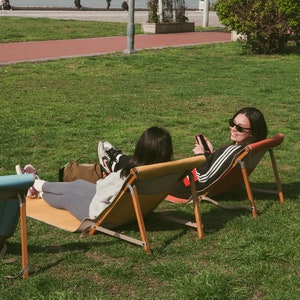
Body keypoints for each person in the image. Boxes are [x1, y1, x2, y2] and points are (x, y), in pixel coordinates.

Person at [98, 107, 268, 199]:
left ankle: (113, 161)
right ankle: (116, 159)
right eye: (232, 123)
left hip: (185, 186)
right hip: (189, 181)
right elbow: (214, 169)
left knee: (151, 165)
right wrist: (208, 154)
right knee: (155, 161)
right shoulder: (247, 150)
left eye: (239, 128)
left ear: (252, 133)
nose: (233, 128)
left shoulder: (234, 150)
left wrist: (199, 156)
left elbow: (203, 178)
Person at [16, 127, 173, 221]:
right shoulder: (167, 171)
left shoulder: (133, 173)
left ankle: (36, 189)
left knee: (68, 198)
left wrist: (109, 176)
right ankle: (35, 183)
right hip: (129, 210)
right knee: (77, 185)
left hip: (104, 215)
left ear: (141, 149)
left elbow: (104, 190)